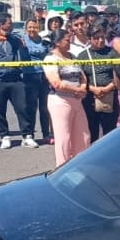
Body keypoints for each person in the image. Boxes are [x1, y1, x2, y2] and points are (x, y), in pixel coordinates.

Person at [0, 14, 37, 148]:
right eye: (9, 23)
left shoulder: (15, 40)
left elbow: (24, 54)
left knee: (22, 108)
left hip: (15, 79)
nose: (11, 26)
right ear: (1, 24)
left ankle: (27, 136)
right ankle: (5, 136)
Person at [44, 35, 90, 166]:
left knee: (83, 137)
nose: (69, 43)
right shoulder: (50, 59)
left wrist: (82, 88)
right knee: (64, 138)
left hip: (77, 100)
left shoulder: (72, 57)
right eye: (66, 40)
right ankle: (62, 168)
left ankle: (81, 167)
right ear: (57, 42)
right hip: (60, 101)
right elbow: (56, 83)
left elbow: (83, 77)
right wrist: (76, 90)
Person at [76, 26, 120, 141]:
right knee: (92, 131)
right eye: (96, 38)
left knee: (110, 132)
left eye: (102, 37)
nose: (100, 40)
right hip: (90, 99)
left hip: (110, 98)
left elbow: (119, 74)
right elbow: (79, 77)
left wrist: (108, 88)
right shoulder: (83, 56)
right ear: (89, 39)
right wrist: (92, 89)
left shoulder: (112, 53)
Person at [21, 18, 54, 144]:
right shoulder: (22, 41)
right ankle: (29, 134)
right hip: (29, 76)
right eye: (30, 27)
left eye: (35, 27)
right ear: (26, 28)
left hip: (44, 76)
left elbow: (49, 56)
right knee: (31, 107)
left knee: (44, 107)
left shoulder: (44, 42)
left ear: (39, 28)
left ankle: (46, 134)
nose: (32, 30)